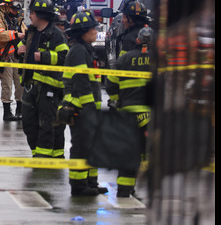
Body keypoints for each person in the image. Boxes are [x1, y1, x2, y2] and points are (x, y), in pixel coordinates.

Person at [57, 11, 108, 197]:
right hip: (79, 108)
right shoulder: (79, 51)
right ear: (84, 31)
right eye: (93, 28)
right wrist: (88, 109)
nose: (96, 31)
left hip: (87, 108)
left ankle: (91, 183)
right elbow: (81, 83)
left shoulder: (85, 49)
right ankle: (79, 186)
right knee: (80, 147)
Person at [18, 0, 69, 159]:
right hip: (29, 85)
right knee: (28, 123)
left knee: (47, 124)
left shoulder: (56, 36)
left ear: (40, 15)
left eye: (32, 13)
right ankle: (37, 152)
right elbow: (23, 47)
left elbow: (64, 57)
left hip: (49, 87)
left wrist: (45, 57)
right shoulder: (31, 32)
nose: (30, 16)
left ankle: (45, 157)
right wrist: (18, 51)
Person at [109, 25, 154, 199]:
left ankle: (124, 190)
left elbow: (112, 83)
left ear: (137, 40)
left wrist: (116, 100)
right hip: (150, 116)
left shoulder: (125, 59)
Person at [0, 0, 26, 122]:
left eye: (17, 9)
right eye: (13, 8)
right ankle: (7, 112)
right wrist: (17, 34)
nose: (15, 11)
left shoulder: (19, 21)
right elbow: (0, 36)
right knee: (7, 85)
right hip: (5, 58)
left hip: (17, 58)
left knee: (20, 84)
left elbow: (26, 33)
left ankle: (20, 109)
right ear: (6, 7)